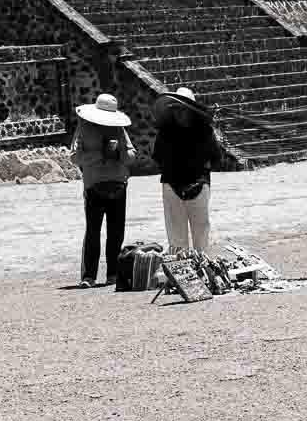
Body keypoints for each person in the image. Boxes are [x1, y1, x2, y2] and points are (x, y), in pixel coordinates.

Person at [70, 93, 135, 287]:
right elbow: (75, 157)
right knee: (93, 231)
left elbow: (131, 154)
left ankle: (113, 274)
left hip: (118, 185)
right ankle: (89, 276)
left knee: (116, 231)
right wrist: (100, 154)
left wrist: (120, 154)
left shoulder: (119, 128)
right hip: (94, 186)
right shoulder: (83, 127)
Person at [151, 86, 222, 253]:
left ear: (191, 110)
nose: (178, 113)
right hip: (171, 184)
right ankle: (179, 275)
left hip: (199, 184)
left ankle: (203, 270)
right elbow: (157, 157)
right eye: (175, 109)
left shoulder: (205, 131)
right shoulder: (165, 131)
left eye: (181, 109)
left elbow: (216, 158)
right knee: (176, 238)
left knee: (201, 233)